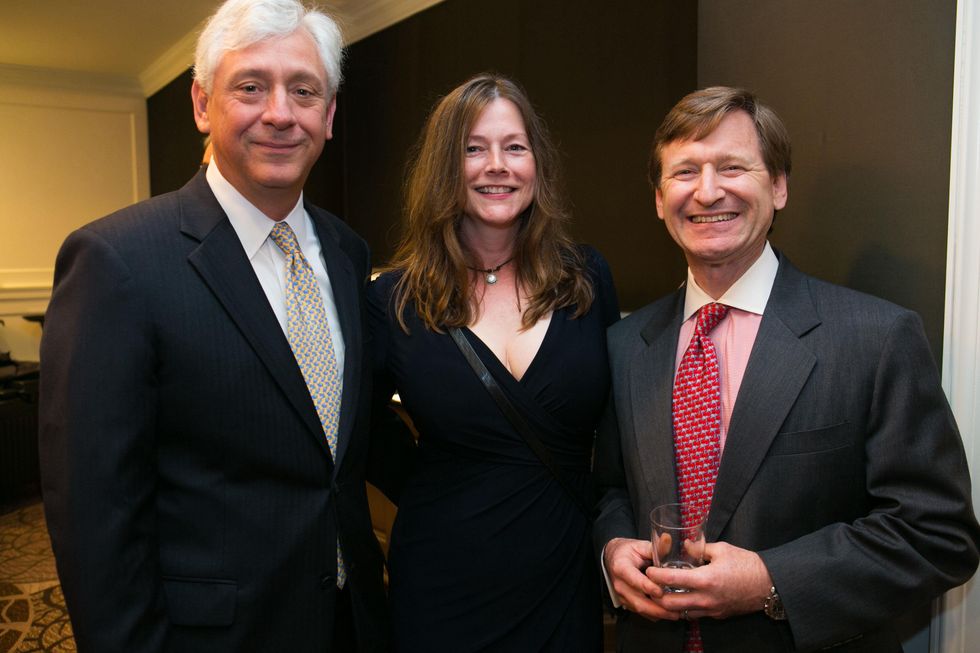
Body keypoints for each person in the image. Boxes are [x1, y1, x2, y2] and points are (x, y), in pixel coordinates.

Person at [39, 0, 390, 650]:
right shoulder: (119, 261)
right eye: (251, 86)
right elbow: (97, 516)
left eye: (304, 90)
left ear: (330, 114)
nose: (280, 112)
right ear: (203, 104)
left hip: (355, 625)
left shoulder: (348, 255)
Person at [594, 86, 980, 652]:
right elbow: (608, 490)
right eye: (685, 172)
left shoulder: (874, 339)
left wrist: (770, 582)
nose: (707, 191)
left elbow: (939, 535)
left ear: (778, 187)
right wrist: (611, 550)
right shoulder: (626, 344)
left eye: (732, 166)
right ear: (658, 198)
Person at [367, 73, 619, 651]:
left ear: (538, 164)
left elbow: (620, 422)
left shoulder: (586, 278)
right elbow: (365, 425)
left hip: (561, 571)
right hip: (443, 577)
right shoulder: (393, 299)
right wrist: (444, 486)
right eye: (473, 149)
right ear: (443, 170)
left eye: (515, 147)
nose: (496, 166)